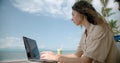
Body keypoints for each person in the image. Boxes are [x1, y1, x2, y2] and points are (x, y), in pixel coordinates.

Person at [40, 1, 120, 63]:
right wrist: (54, 55)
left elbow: (86, 61)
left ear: (81, 13)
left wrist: (56, 58)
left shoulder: (99, 29)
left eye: (73, 14)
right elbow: (76, 55)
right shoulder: (85, 34)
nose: (71, 19)